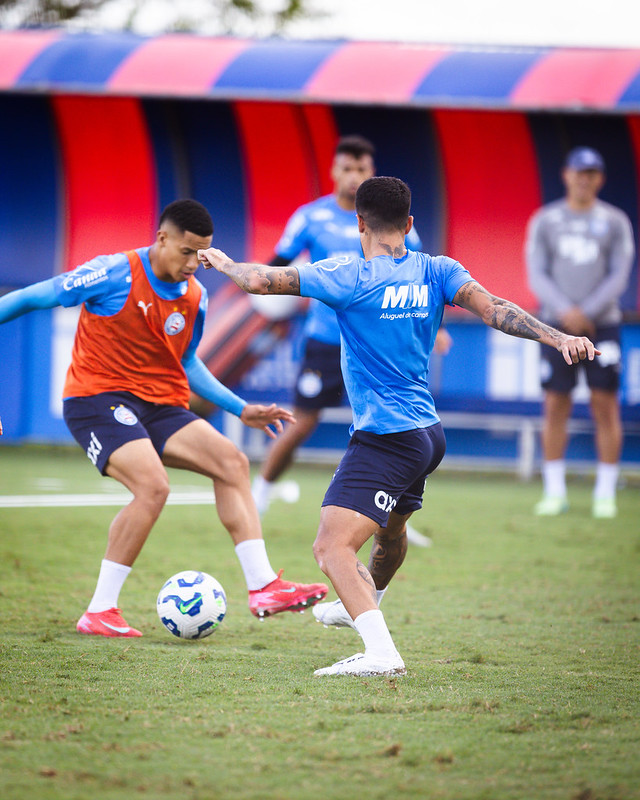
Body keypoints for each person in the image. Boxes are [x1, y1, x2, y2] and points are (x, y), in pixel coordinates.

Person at [198, 176, 599, 677]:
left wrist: (225, 263)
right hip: (427, 435)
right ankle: (363, 603)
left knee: (331, 547)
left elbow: (261, 281)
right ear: (409, 224)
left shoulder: (347, 273)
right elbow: (496, 309)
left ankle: (381, 653)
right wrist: (559, 338)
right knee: (390, 534)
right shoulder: (438, 269)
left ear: (359, 224)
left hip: (386, 437)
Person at [0, 199, 327, 637]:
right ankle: (100, 610)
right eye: (187, 251)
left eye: (202, 254)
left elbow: (188, 362)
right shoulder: (113, 272)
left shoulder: (196, 296)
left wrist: (240, 407)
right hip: (96, 399)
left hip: (159, 404)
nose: (194, 264)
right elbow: (31, 297)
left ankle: (263, 587)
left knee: (232, 463)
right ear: (162, 239)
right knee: (153, 486)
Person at [251, 134, 447, 547]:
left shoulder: (390, 220)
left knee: (393, 425)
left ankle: (396, 517)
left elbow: (418, 271)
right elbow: (277, 264)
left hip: (381, 345)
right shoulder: (310, 217)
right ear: (334, 171)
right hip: (326, 340)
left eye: (361, 169)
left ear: (370, 172)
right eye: (347, 168)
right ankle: (260, 493)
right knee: (303, 421)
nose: (353, 175)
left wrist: (439, 327)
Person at [525, 147, 634, 519]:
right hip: (555, 327)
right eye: (578, 172)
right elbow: (537, 273)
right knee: (556, 403)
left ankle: (605, 494)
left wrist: (586, 312)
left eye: (591, 173)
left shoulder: (615, 221)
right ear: (566, 174)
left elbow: (619, 274)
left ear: (599, 178)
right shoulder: (546, 220)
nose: (584, 179)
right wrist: (566, 313)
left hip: (601, 324)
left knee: (605, 403)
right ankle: (554, 491)